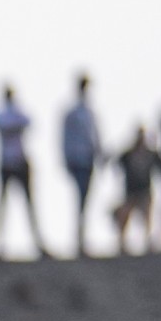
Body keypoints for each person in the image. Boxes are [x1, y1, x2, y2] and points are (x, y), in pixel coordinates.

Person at [0, 84, 43, 258]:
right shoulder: (2, 113)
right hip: (7, 163)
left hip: (19, 162)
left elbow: (28, 122)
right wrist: (16, 126)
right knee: (2, 205)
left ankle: (37, 242)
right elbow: (10, 125)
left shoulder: (14, 112)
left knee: (29, 204)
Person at [60, 74, 102, 256]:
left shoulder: (90, 112)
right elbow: (65, 138)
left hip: (88, 159)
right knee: (80, 199)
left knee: (85, 200)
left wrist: (100, 153)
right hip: (77, 160)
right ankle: (79, 239)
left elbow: (95, 136)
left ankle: (82, 238)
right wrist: (67, 159)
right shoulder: (72, 112)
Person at [112, 124, 161, 254]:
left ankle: (149, 242)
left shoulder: (150, 153)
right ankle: (121, 243)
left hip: (144, 191)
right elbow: (117, 163)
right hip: (131, 192)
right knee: (124, 216)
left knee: (147, 217)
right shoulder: (128, 154)